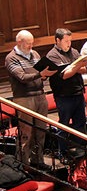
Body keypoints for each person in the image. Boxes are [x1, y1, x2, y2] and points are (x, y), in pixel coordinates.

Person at [6, 30, 56, 170]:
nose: (30, 46)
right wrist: (40, 74)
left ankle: (37, 160)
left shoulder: (35, 54)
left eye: (32, 43)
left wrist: (44, 75)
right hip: (24, 98)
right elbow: (21, 77)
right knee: (26, 133)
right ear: (19, 42)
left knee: (40, 131)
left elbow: (38, 73)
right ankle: (23, 164)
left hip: (40, 95)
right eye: (28, 44)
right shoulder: (11, 58)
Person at [46, 28, 87, 162]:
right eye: (66, 41)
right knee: (63, 125)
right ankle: (62, 152)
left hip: (77, 93)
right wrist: (76, 67)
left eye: (70, 41)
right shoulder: (52, 56)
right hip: (63, 96)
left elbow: (82, 69)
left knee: (80, 124)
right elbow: (64, 75)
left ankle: (81, 150)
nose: (69, 44)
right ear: (58, 40)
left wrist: (77, 66)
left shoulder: (74, 52)